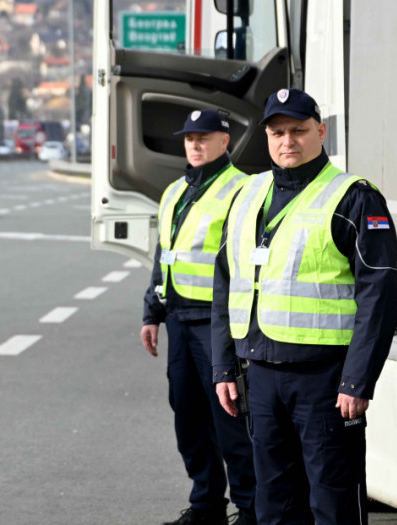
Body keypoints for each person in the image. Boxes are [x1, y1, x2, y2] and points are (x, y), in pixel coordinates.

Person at [211, 89, 397, 525]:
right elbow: (226, 283)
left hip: (325, 383)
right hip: (260, 378)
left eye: (298, 130)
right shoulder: (247, 195)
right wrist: (223, 367)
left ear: (321, 131)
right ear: (266, 136)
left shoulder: (353, 197)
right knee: (274, 506)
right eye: (277, 132)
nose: (287, 141)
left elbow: (379, 294)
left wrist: (358, 380)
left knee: (333, 504)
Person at [141, 109, 257, 525]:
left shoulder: (242, 189)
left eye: (203, 137)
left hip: (217, 321)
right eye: (189, 138)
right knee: (188, 417)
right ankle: (207, 505)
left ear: (224, 141)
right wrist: (151, 312)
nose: (194, 144)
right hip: (178, 318)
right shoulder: (174, 191)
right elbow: (164, 254)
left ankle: (251, 509)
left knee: (229, 420)